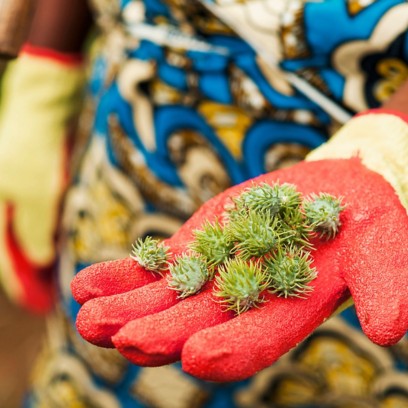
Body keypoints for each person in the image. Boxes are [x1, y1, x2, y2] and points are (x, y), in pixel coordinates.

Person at [0, 0, 407, 406]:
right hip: (140, 121)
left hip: (368, 157)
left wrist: (392, 143)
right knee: (126, 333)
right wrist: (47, 70)